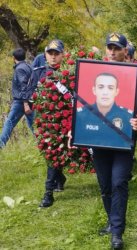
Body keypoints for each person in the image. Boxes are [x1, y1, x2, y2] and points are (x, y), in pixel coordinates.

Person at [90, 33, 137, 249]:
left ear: (126, 51)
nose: (112, 52)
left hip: (123, 139)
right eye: (109, 47)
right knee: (105, 184)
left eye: (117, 48)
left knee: (119, 182)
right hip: (99, 139)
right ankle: (111, 220)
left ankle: (117, 232)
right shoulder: (96, 72)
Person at [31, 40, 67, 208]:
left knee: (60, 151)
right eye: (50, 53)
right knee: (52, 153)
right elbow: (31, 93)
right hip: (47, 121)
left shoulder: (69, 72)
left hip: (65, 120)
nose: (53, 57)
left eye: (56, 53)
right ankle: (53, 186)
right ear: (45, 55)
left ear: (62, 55)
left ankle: (53, 187)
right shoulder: (39, 72)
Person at [73, 73, 133, 149]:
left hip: (120, 152)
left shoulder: (128, 116)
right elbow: (78, 136)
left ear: (116, 92)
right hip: (98, 153)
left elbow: (129, 141)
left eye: (110, 88)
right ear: (94, 90)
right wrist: (73, 135)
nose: (105, 92)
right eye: (101, 87)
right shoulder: (81, 115)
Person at [0, 48, 33, 149]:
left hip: (21, 101)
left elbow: (23, 86)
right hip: (29, 100)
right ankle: (43, 145)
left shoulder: (19, 69)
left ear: (14, 58)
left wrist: (25, 103)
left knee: (9, 123)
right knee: (33, 125)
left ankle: (1, 145)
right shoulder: (28, 66)